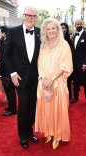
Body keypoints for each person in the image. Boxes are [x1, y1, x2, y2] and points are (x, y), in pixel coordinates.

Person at [3, 6, 41, 148]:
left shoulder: (39, 32)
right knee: (24, 106)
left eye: (33, 16)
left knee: (33, 106)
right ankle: (23, 135)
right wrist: (12, 73)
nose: (30, 18)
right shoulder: (13, 32)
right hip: (19, 78)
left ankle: (30, 131)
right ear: (23, 15)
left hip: (35, 77)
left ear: (37, 17)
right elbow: (6, 55)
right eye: (27, 15)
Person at [35, 17, 73, 150]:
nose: (50, 31)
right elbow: (39, 63)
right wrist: (43, 78)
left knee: (57, 110)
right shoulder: (42, 45)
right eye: (48, 28)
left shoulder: (64, 45)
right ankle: (48, 132)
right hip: (44, 83)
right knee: (46, 109)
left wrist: (51, 79)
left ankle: (56, 136)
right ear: (44, 30)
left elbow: (64, 66)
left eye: (53, 28)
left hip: (58, 84)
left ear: (58, 30)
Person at [0, 26, 16, 115]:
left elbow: (3, 60)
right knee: (10, 90)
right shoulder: (8, 42)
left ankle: (12, 110)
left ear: (4, 33)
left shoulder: (5, 44)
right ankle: (11, 107)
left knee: (10, 90)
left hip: (6, 71)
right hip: (10, 70)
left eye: (0, 32)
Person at [71, 19, 86, 103]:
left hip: (83, 64)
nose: (78, 25)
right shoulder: (74, 36)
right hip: (75, 63)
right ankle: (75, 96)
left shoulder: (85, 35)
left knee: (85, 81)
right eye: (77, 24)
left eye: (80, 24)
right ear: (75, 25)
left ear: (82, 24)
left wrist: (85, 64)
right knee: (75, 81)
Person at [61, 22, 74, 100]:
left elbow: (73, 49)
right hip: (60, 62)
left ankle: (69, 96)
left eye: (65, 27)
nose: (64, 29)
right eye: (62, 28)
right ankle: (62, 96)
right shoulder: (58, 38)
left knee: (69, 79)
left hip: (69, 61)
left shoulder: (71, 37)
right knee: (61, 80)